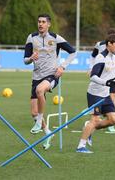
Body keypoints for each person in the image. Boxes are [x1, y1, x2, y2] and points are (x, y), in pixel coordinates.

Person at [24, 13, 76, 150]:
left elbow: (73, 52)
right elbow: (25, 60)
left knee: (40, 90)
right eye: (39, 22)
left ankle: (40, 120)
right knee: (33, 113)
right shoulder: (31, 38)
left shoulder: (55, 38)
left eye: (43, 22)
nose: (40, 24)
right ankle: (48, 133)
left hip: (52, 75)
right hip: (36, 76)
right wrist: (31, 58)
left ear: (49, 24)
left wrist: (62, 66)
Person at [76, 34, 115, 153]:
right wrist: (106, 83)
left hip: (105, 94)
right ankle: (81, 146)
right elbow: (93, 77)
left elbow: (111, 74)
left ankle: (90, 128)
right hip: (95, 93)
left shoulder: (114, 56)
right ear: (109, 44)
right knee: (95, 120)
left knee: (113, 119)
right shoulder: (101, 57)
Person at [89, 28, 115, 133]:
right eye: (114, 40)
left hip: (112, 77)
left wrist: (113, 67)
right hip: (100, 77)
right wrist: (91, 67)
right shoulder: (99, 45)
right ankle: (94, 122)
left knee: (112, 97)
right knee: (99, 95)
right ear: (108, 40)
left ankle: (109, 122)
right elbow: (92, 57)